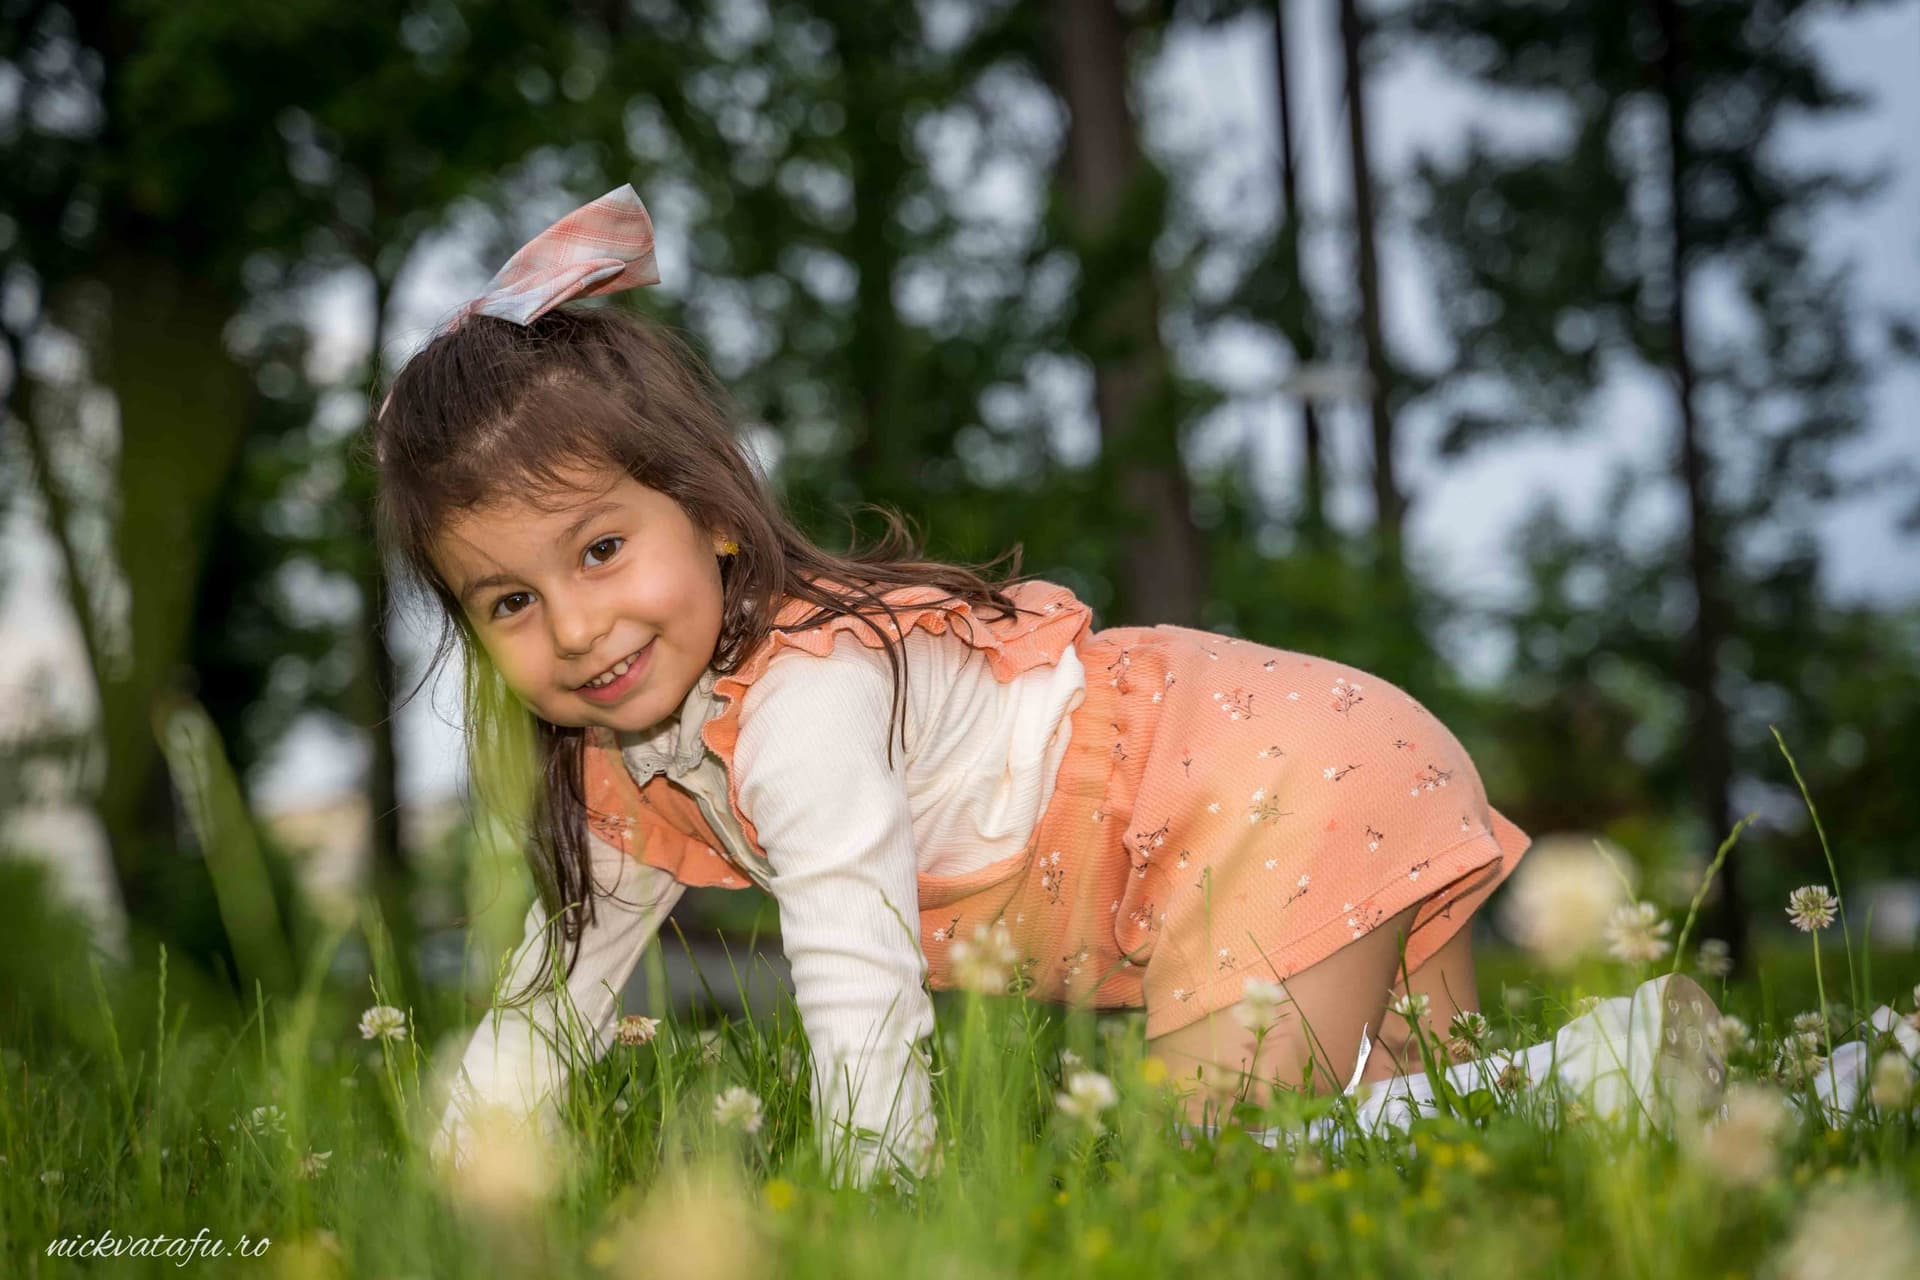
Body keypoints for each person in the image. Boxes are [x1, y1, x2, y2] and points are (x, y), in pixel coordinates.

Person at [374, 184, 1725, 1188]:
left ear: (714, 514)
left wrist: (874, 1196)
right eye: (510, 601)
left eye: (600, 550)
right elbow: (550, 991)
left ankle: (1626, 1076)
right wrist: (463, 1173)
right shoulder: (628, 764)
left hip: (1269, 784)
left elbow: (854, 964)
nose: (576, 627)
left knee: (1212, 1172)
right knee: (1460, 1134)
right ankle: (1658, 1075)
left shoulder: (803, 699)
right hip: (1300, 760)